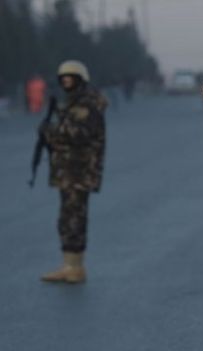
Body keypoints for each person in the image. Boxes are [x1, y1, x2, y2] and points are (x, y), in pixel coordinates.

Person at [40, 60, 107, 284]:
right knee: (67, 218)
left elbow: (81, 134)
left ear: (80, 80)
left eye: (71, 78)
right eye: (63, 79)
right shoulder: (71, 103)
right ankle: (69, 265)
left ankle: (75, 268)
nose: (66, 82)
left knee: (74, 218)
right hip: (68, 170)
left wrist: (53, 130)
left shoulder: (88, 104)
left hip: (80, 172)